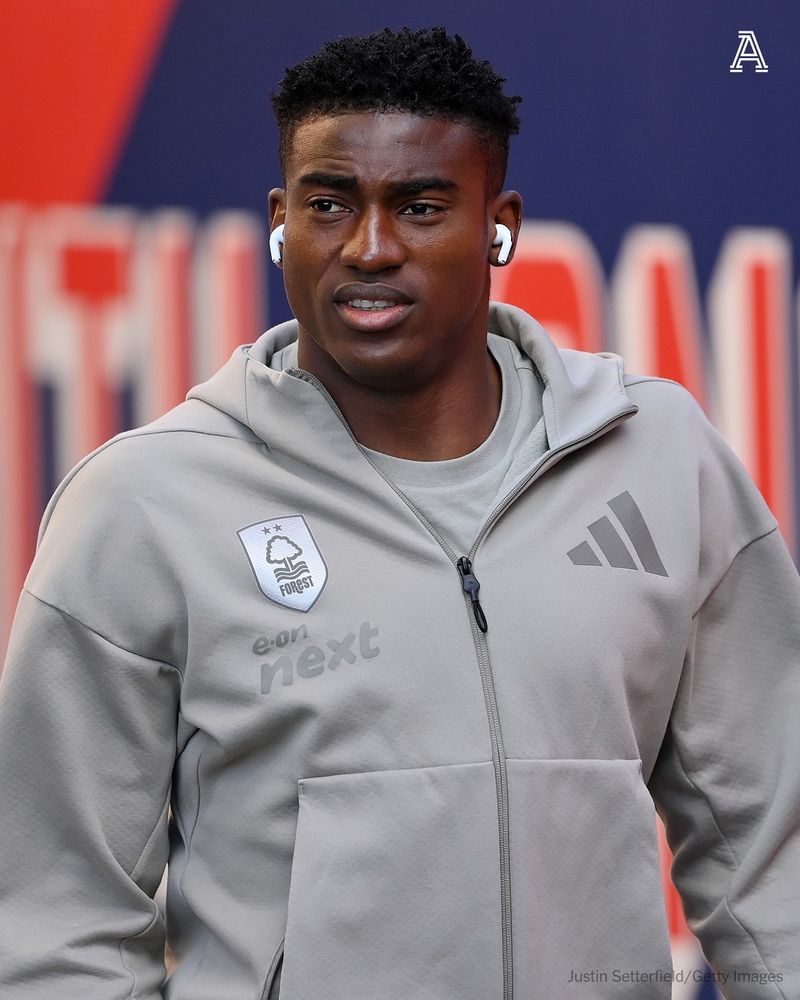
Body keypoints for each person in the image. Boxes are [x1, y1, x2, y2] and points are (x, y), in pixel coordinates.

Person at [0, 25, 798, 1000]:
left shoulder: (660, 459)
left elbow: (771, 855)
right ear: (280, 220)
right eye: (329, 203)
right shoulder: (144, 507)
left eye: (420, 207)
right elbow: (53, 925)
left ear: (497, 224)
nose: (369, 248)